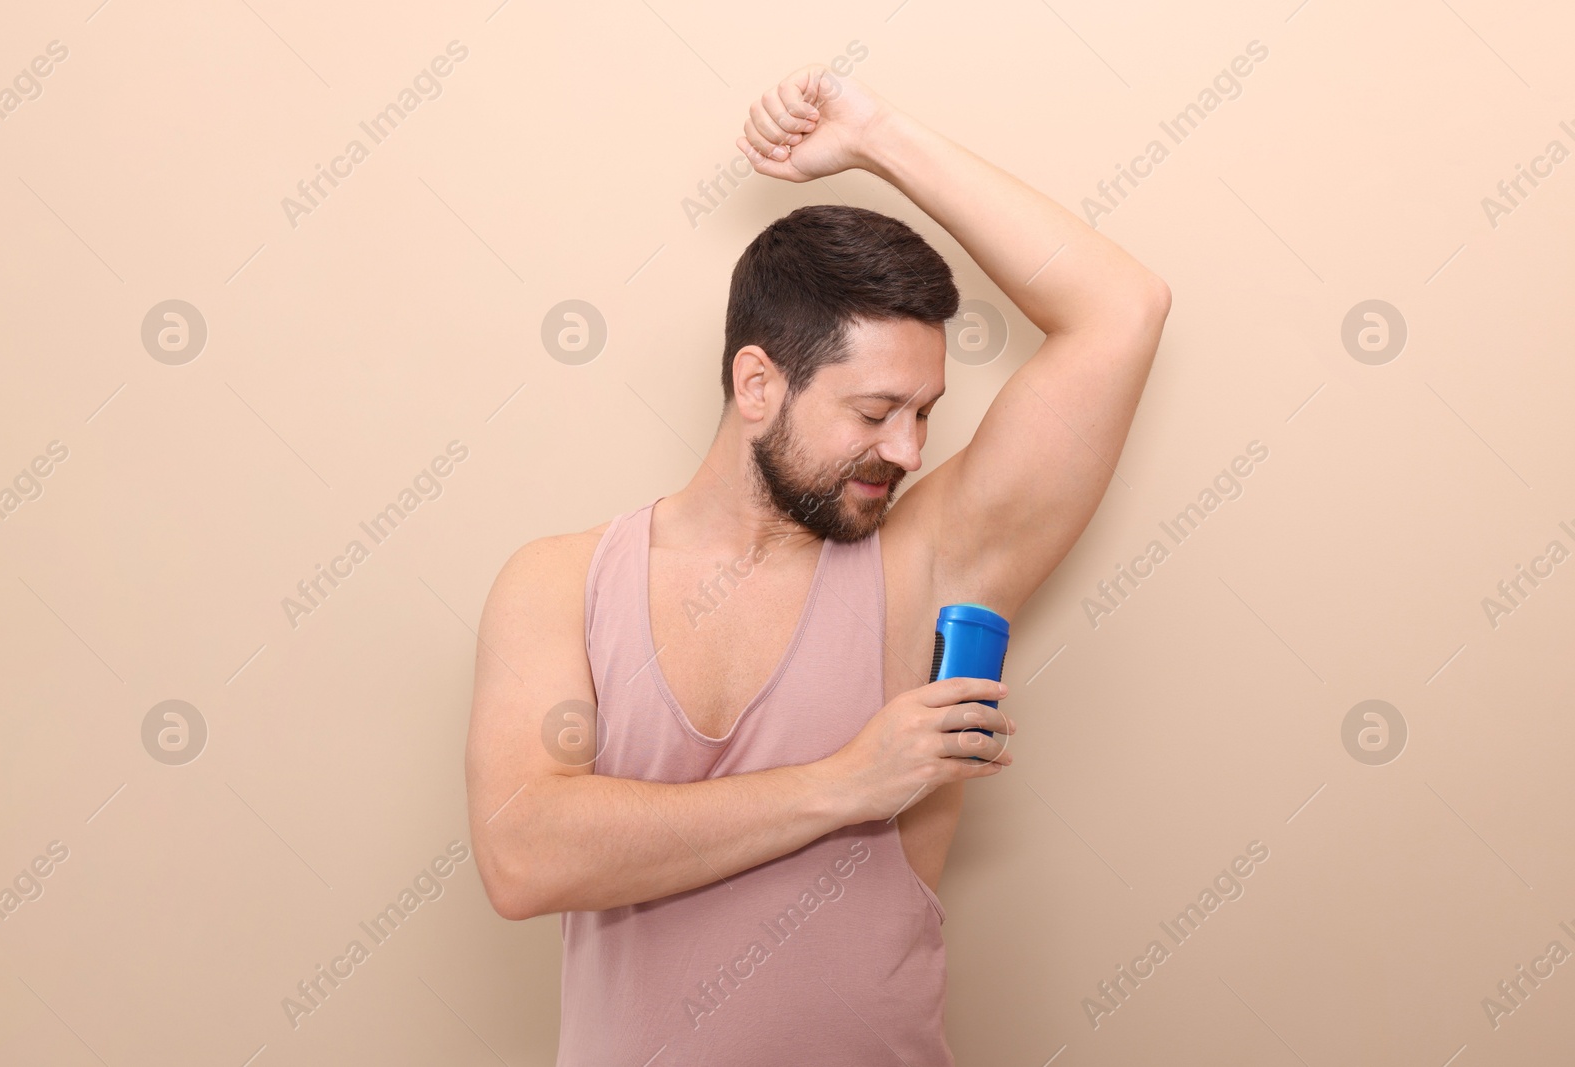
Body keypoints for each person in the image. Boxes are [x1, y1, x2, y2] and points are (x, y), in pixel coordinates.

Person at [465, 62, 1170, 1065]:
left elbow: (1122, 308)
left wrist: (875, 135)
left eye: (925, 413)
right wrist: (847, 781)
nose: (908, 451)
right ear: (758, 382)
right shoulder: (556, 582)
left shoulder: (928, 563)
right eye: (875, 412)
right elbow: (521, 853)